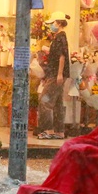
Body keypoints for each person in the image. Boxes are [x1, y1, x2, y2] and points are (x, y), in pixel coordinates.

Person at [37, 11, 70, 140]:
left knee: (44, 100)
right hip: (57, 73)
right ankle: (59, 130)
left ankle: (48, 130)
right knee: (57, 102)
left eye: (53, 23)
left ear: (59, 23)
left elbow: (62, 56)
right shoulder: (60, 37)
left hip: (56, 74)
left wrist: (59, 74)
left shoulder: (60, 37)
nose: (52, 25)